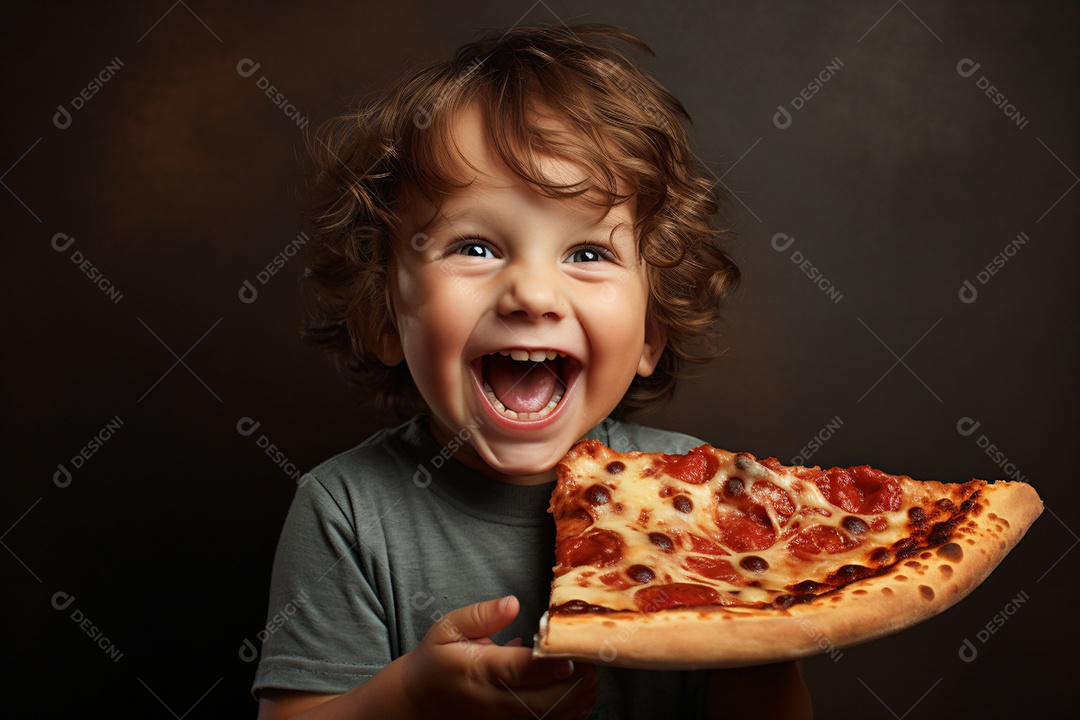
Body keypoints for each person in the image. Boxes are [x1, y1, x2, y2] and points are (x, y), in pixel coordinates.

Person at [252, 23, 813, 719]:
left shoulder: (703, 500)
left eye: (587, 254)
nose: (533, 295)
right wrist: (409, 700)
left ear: (653, 330)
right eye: (477, 246)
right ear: (383, 318)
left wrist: (768, 632)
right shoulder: (345, 511)